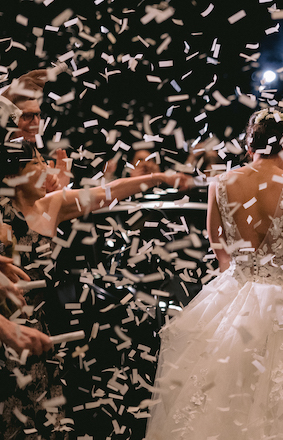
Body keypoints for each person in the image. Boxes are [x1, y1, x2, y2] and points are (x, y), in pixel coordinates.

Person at [146, 106, 283, 440]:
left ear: (249, 146)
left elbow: (215, 238)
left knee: (221, 387)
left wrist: (236, 277)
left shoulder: (221, 182)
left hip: (233, 290)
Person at [0, 140, 189, 437]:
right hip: (5, 329)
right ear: (12, 177)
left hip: (43, 326)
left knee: (48, 419)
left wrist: (158, 178)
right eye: (35, 163)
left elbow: (108, 193)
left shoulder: (50, 206)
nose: (45, 168)